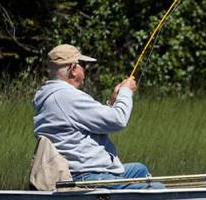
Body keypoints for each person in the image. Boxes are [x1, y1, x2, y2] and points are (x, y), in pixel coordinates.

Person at [32, 44, 159, 189]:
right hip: (87, 174)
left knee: (139, 169)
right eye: (83, 65)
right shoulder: (67, 97)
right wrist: (125, 92)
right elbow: (118, 120)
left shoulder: (51, 96)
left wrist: (112, 102)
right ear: (73, 69)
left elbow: (98, 125)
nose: (85, 70)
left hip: (81, 170)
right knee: (157, 188)